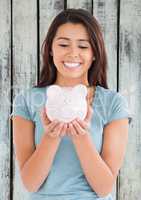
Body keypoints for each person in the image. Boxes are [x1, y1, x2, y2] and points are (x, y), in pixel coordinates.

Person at [10, 8, 132, 200]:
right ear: (51, 49)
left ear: (94, 53)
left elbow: (104, 188)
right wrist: (51, 137)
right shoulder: (26, 101)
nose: (73, 53)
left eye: (83, 47)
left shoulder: (113, 104)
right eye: (64, 44)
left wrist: (81, 137)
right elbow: (30, 183)